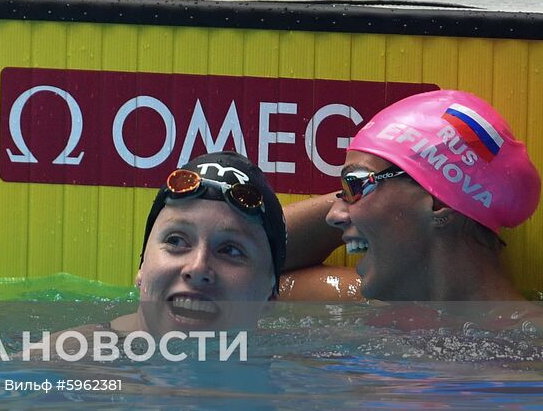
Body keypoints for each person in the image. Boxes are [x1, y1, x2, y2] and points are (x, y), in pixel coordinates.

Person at [282, 90, 541, 302]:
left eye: (355, 185)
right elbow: (254, 259)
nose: (333, 214)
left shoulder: (532, 347)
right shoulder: (365, 305)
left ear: (438, 202)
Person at [106, 152, 285, 335]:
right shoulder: (85, 353)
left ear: (270, 296)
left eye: (230, 251)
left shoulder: (300, 358)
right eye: (175, 241)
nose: (197, 268)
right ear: (142, 269)